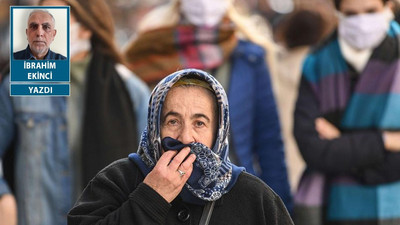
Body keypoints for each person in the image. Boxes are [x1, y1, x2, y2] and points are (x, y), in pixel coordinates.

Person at [124, 0, 292, 212]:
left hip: (234, 192)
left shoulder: (249, 56)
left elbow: (268, 140)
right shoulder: (151, 50)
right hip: (161, 186)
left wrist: (279, 206)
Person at [68, 68, 294, 225]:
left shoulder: (254, 197)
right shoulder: (119, 181)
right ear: (156, 125)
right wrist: (151, 197)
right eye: (173, 121)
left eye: (200, 123)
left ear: (218, 130)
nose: (186, 138)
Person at [0, 0, 150, 224]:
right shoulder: (16, 84)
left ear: (85, 28)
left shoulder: (129, 89)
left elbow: (149, 170)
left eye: (53, 20)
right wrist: (3, 197)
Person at [293, 0, 400, 224]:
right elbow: (312, 148)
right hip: (335, 209)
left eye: (371, 11)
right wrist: (385, 141)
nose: (362, 22)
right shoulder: (316, 62)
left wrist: (341, 141)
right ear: (338, 13)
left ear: (388, 7)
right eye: (351, 14)